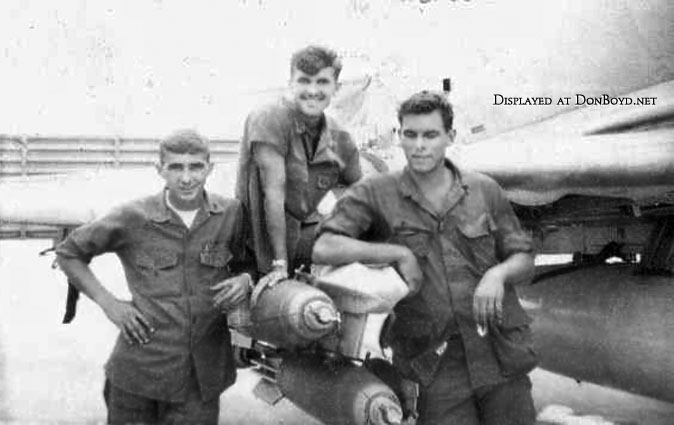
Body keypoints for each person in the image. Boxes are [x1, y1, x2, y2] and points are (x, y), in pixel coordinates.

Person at [313, 91, 537, 424]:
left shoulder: (484, 189)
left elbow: (523, 258)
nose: (419, 145)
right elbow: (324, 246)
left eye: (431, 135)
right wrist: (396, 252)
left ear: (450, 137)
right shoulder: (376, 192)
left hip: (499, 353)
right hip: (435, 362)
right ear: (399, 136)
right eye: (410, 134)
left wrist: (497, 275)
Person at [55, 129, 254, 424]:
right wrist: (110, 304)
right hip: (139, 373)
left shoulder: (232, 214)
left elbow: (248, 262)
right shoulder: (132, 216)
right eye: (175, 167)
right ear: (160, 170)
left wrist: (245, 280)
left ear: (209, 168)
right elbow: (69, 253)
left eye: (195, 166)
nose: (186, 178)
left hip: (201, 380)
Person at [235, 45, 362, 288]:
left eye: (323, 82)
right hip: (258, 243)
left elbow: (361, 189)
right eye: (304, 81)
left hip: (307, 237)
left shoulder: (340, 137)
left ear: (337, 87)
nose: (313, 91)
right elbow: (273, 193)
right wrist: (279, 265)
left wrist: (334, 210)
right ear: (291, 83)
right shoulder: (270, 118)